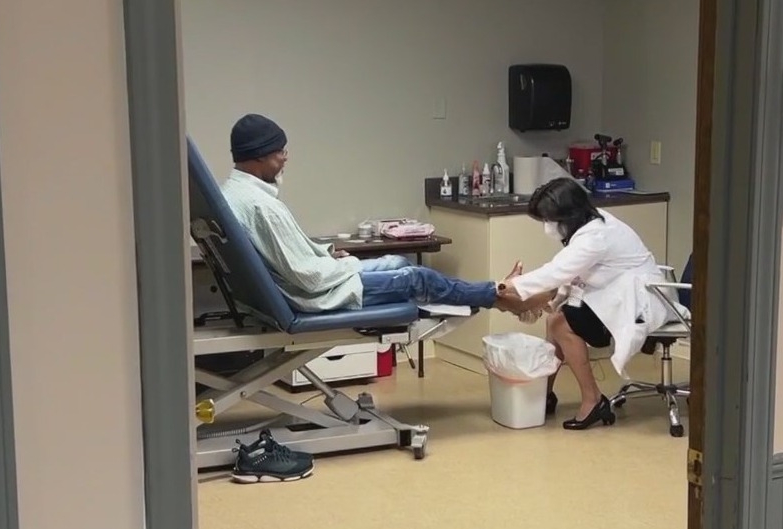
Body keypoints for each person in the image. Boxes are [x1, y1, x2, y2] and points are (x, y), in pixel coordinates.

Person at [219, 113, 520, 313]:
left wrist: (327, 254)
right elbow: (308, 278)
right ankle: (499, 294)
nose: (286, 159)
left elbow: (293, 259)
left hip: (306, 284)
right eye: (280, 152)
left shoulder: (233, 192)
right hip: (318, 295)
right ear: (259, 156)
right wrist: (347, 265)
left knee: (397, 261)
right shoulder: (262, 207)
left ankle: (492, 295)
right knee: (417, 279)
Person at [498, 177, 690, 431]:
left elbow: (555, 272)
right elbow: (567, 275)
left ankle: (593, 400)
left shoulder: (596, 236)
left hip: (637, 303)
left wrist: (503, 286)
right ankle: (543, 395)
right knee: (555, 318)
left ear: (567, 214)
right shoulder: (589, 223)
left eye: (549, 220)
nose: (547, 226)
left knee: (559, 323)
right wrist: (543, 299)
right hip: (615, 296)